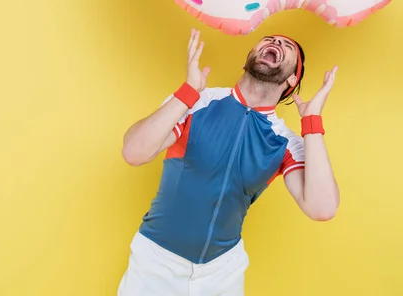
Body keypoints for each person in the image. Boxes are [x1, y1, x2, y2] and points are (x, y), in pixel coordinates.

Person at [117, 29, 340, 296]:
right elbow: (134, 152)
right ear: (247, 59)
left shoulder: (286, 143)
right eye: (269, 38)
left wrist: (311, 122)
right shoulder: (197, 101)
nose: (275, 41)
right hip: (155, 262)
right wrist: (187, 92)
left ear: (292, 79)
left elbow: (322, 208)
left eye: (286, 44)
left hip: (222, 273)